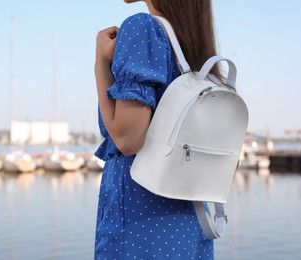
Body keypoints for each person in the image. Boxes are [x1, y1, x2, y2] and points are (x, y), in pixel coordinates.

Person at [94, 0, 222, 258]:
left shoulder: (142, 28)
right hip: (191, 222)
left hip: (141, 222)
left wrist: (100, 64)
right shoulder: (194, 46)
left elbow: (127, 138)